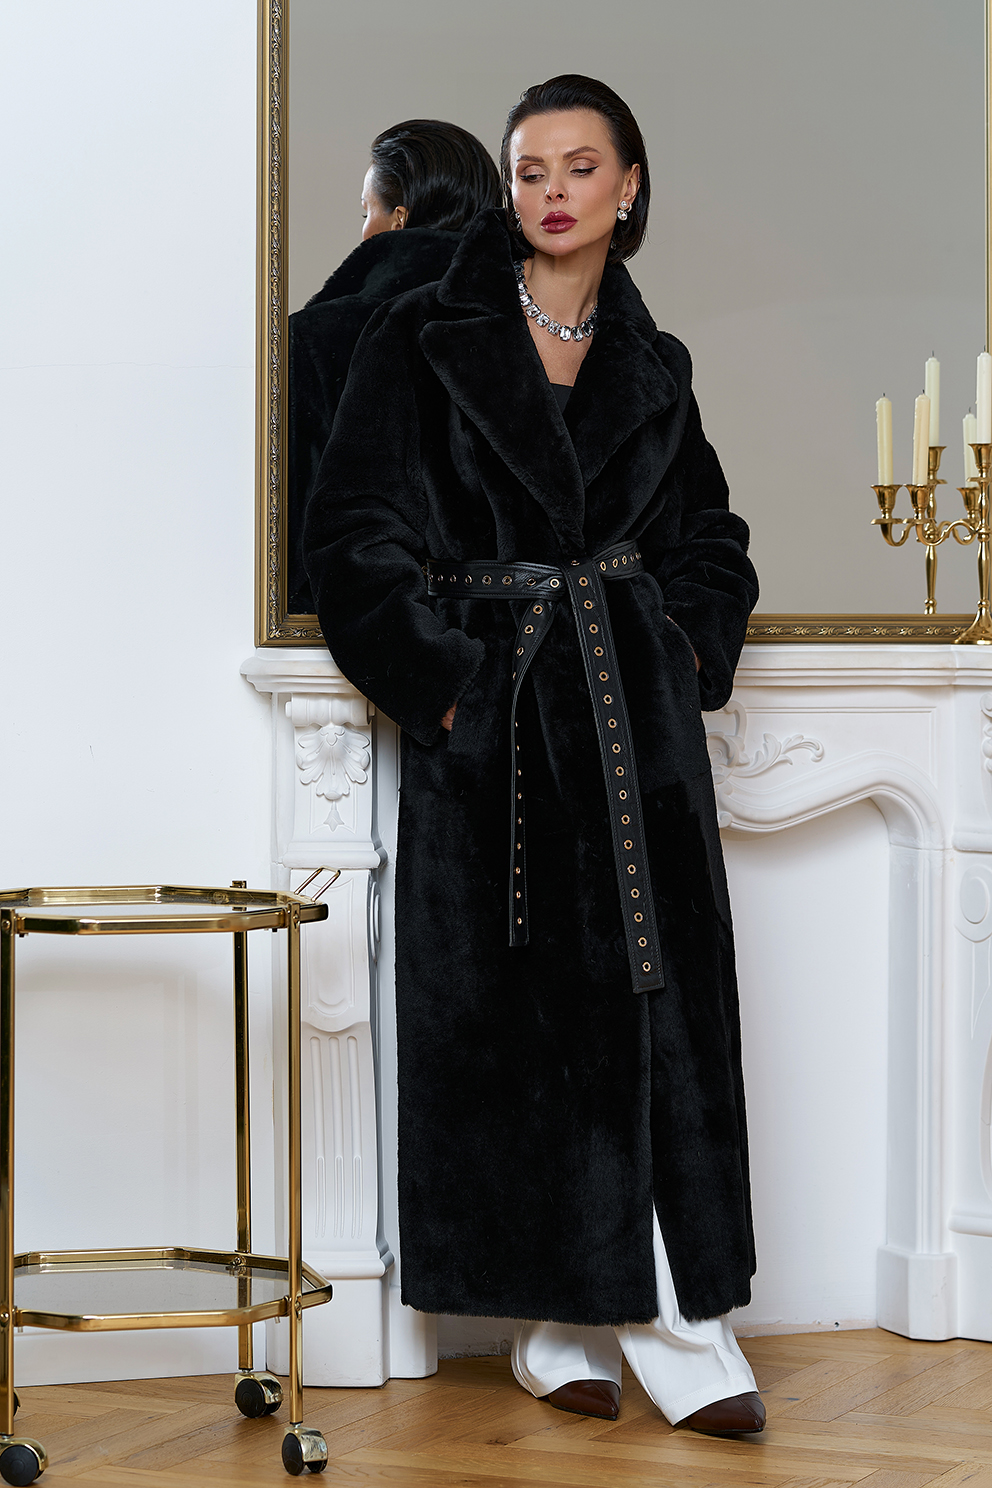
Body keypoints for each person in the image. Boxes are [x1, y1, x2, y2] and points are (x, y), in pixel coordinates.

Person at [304, 75, 762, 1437]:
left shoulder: (654, 361)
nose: (553, 191)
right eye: (528, 169)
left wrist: (684, 651)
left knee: (659, 1017)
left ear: (629, 186)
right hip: (495, 733)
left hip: (634, 727)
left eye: (580, 166)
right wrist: (454, 694)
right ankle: (555, 1318)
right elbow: (354, 541)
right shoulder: (420, 334)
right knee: (522, 1033)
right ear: (507, 190)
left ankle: (676, 1319)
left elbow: (710, 537)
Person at [286, 119, 500, 613]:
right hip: (504, 631)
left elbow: (297, 521)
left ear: (399, 219)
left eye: (368, 212)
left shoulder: (317, 339)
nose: (362, 229)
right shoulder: (539, 329)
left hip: (351, 627)